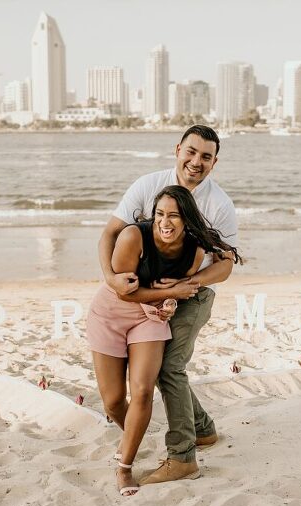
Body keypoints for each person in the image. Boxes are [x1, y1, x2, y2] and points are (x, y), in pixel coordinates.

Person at [98, 125, 240, 486]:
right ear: (178, 149)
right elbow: (110, 234)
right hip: (144, 292)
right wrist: (111, 279)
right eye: (191, 152)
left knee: (168, 368)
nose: (196, 162)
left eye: (206, 157)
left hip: (194, 292)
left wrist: (184, 286)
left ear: (214, 163)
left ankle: (182, 456)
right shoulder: (148, 186)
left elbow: (225, 264)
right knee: (154, 373)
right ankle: (203, 428)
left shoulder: (219, 204)